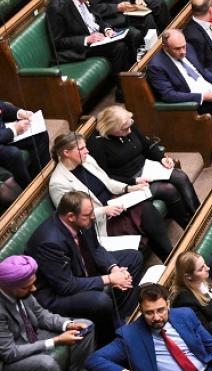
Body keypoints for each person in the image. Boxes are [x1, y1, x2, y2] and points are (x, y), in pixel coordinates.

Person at [26, 191, 141, 343]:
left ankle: (120, 316)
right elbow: (66, 286)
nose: (93, 216)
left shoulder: (83, 220)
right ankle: (109, 339)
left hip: (82, 268)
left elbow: (95, 248)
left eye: (92, 211)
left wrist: (113, 268)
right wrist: (109, 278)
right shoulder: (49, 242)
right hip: (56, 295)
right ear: (70, 216)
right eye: (87, 215)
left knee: (134, 258)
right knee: (101, 301)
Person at [49, 130, 173, 260]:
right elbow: (74, 216)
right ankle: (170, 258)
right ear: (66, 153)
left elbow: (107, 181)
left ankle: (170, 256)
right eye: (81, 149)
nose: (87, 151)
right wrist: (105, 210)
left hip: (116, 202)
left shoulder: (87, 160)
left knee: (146, 209)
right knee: (145, 218)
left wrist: (128, 188)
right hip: (101, 221)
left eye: (85, 147)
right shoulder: (58, 183)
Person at [88, 105, 198, 230]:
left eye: (130, 126)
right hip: (128, 181)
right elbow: (106, 176)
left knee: (180, 177)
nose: (129, 131)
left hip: (147, 168)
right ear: (111, 128)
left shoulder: (128, 126)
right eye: (125, 129)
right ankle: (189, 227)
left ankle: (198, 216)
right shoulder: (97, 144)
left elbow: (146, 144)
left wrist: (161, 158)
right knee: (169, 190)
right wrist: (133, 181)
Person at [0, 255, 94, 371]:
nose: (34, 289)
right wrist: (56, 341)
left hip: (33, 336)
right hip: (11, 359)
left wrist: (68, 325)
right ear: (9, 287)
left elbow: (40, 315)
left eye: (33, 283)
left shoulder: (22, 290)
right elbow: (10, 353)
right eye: (27, 287)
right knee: (46, 363)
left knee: (86, 325)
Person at [46, 0, 138, 74]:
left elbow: (96, 18)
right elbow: (57, 41)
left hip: (100, 37)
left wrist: (107, 29)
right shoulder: (57, 7)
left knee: (134, 34)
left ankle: (138, 71)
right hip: (82, 47)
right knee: (119, 48)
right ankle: (123, 82)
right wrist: (87, 39)